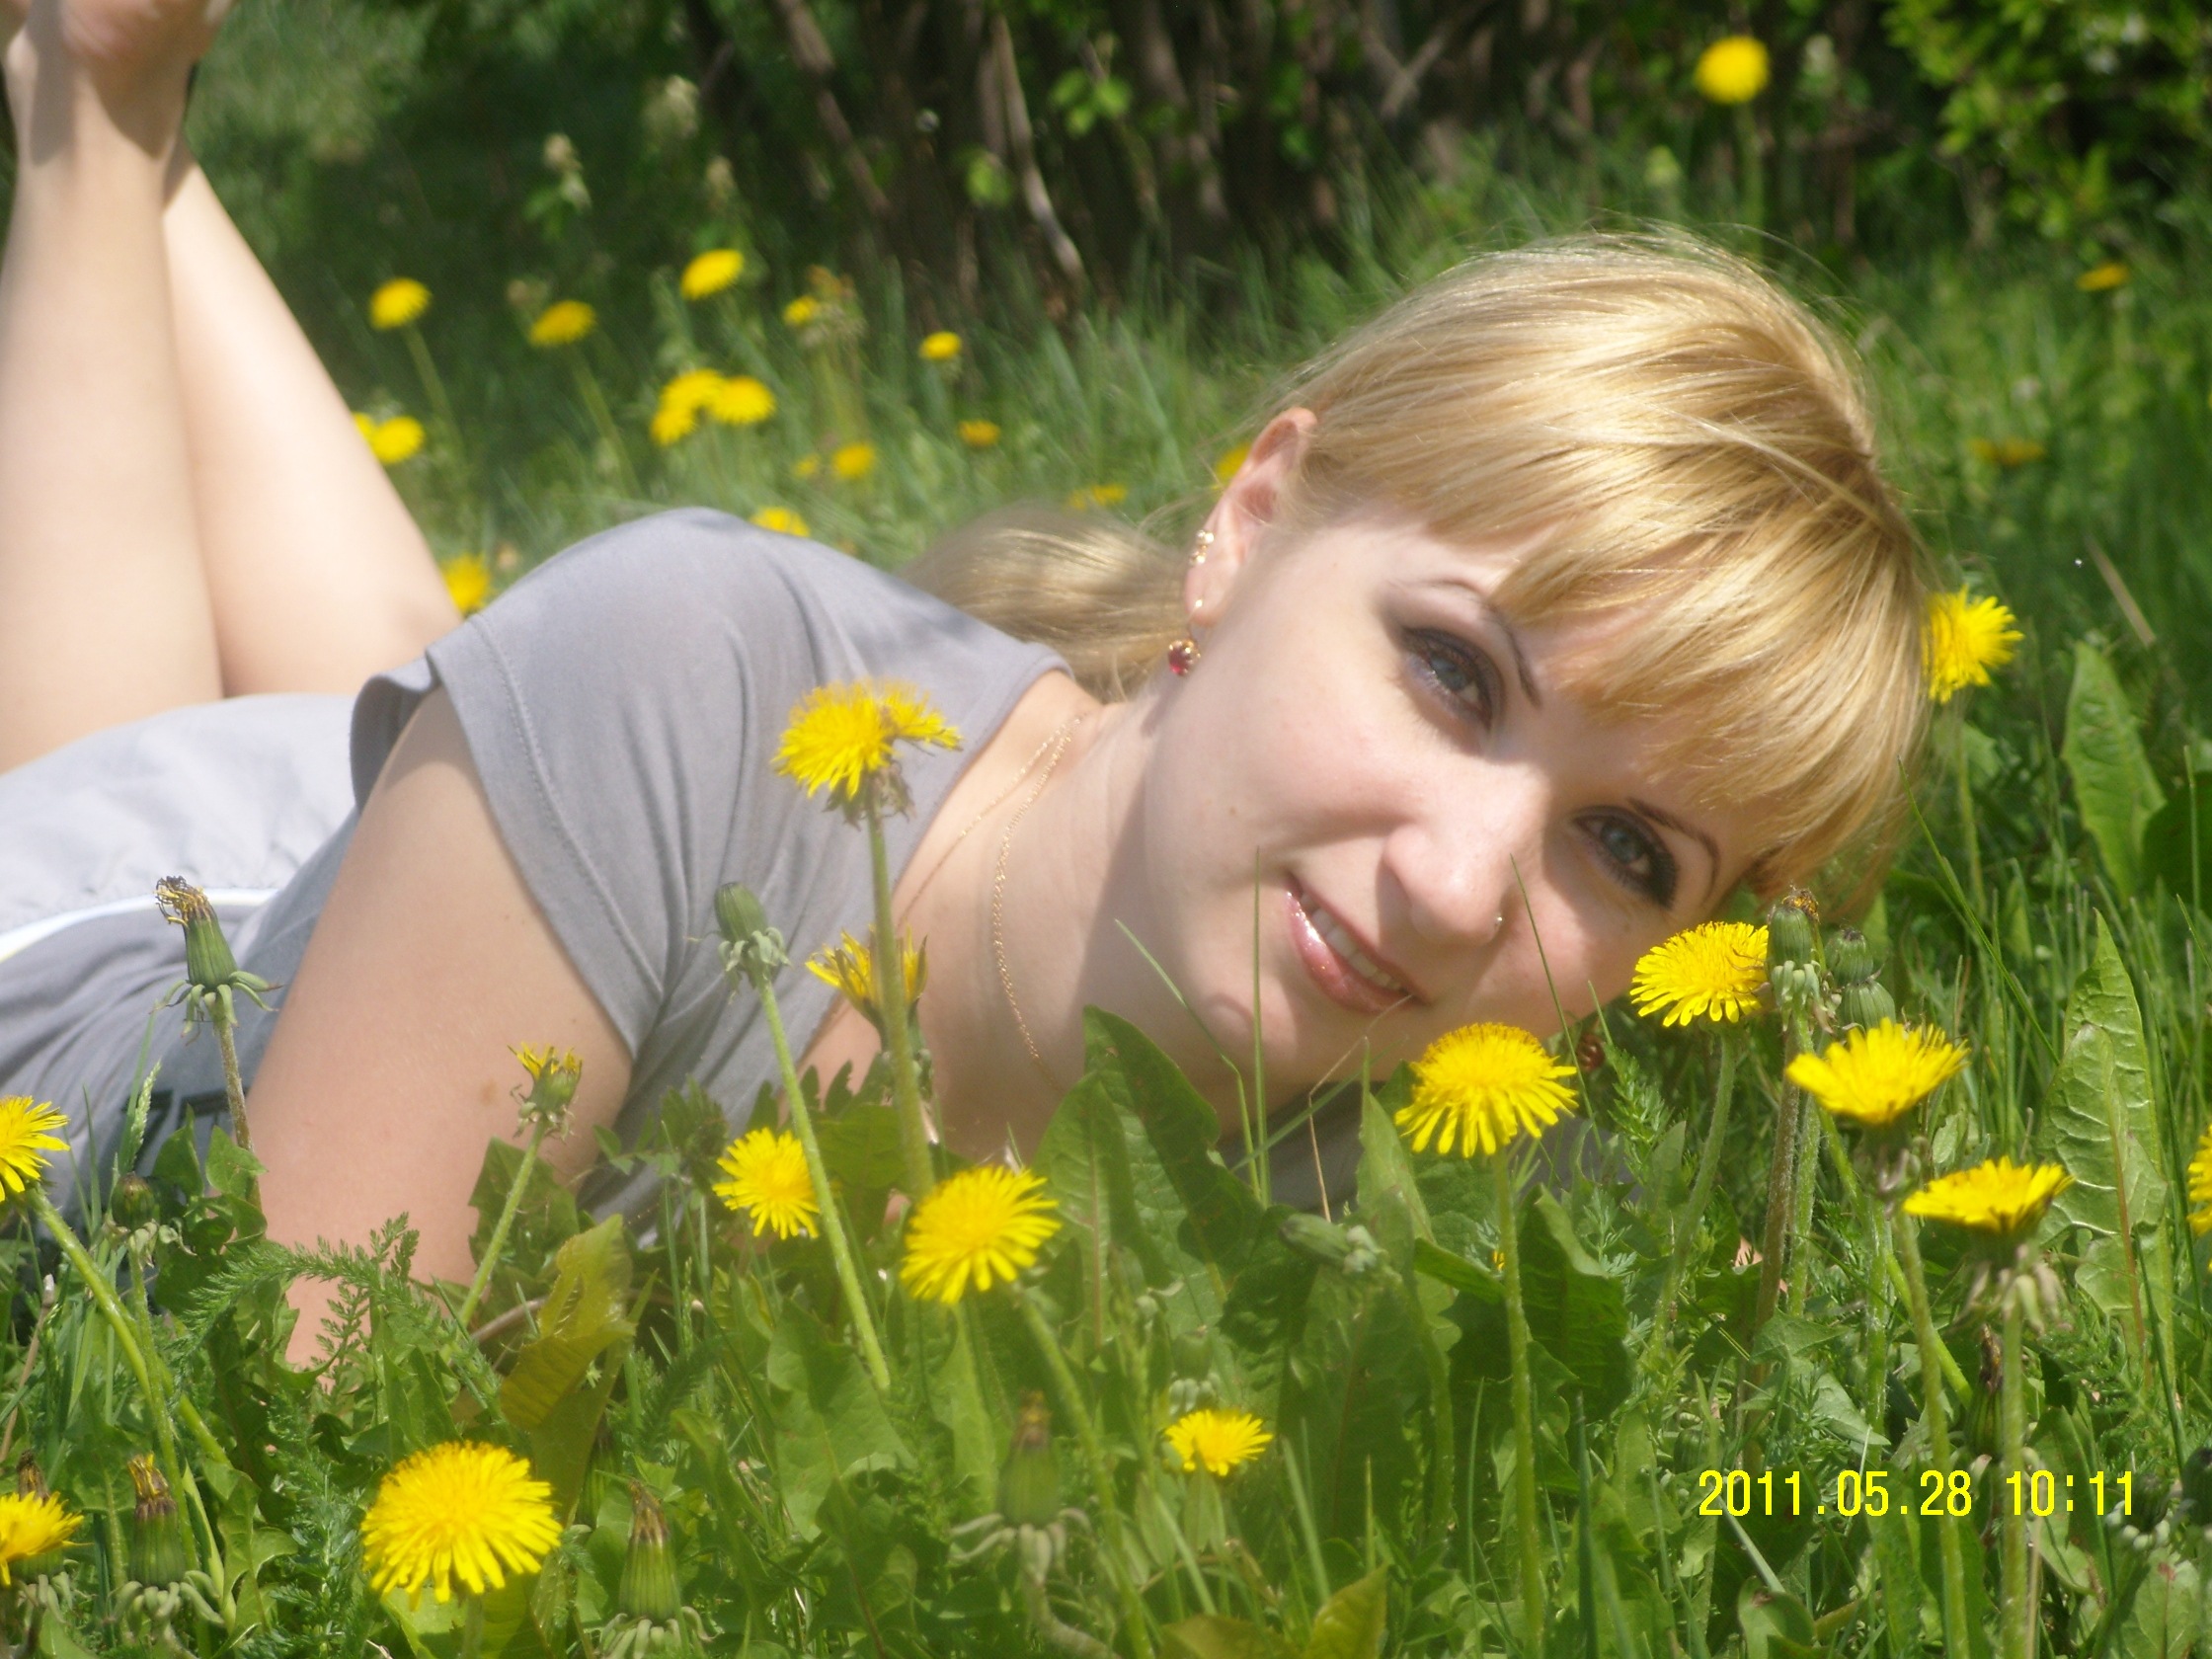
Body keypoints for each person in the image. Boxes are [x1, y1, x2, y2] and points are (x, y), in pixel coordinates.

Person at [0, 0, 1930, 1314]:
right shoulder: (681, 666)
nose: (1452, 887)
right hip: (109, 978)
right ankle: (96, 110)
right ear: (1254, 519)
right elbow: (278, 1495)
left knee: (479, 723)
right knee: (176, 763)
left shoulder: (1478, 1230)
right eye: (1452, 673)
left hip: (497, 838)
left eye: (1627, 851)